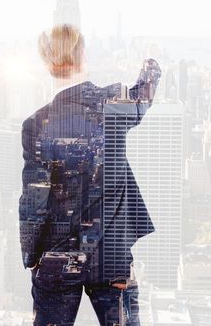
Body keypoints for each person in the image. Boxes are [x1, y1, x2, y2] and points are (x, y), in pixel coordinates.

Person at [19, 24, 161, 326]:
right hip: (111, 254)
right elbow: (144, 98)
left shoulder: (35, 124)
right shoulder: (112, 102)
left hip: (57, 256)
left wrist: (32, 257)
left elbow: (34, 200)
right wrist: (151, 64)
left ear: (47, 64)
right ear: (83, 55)